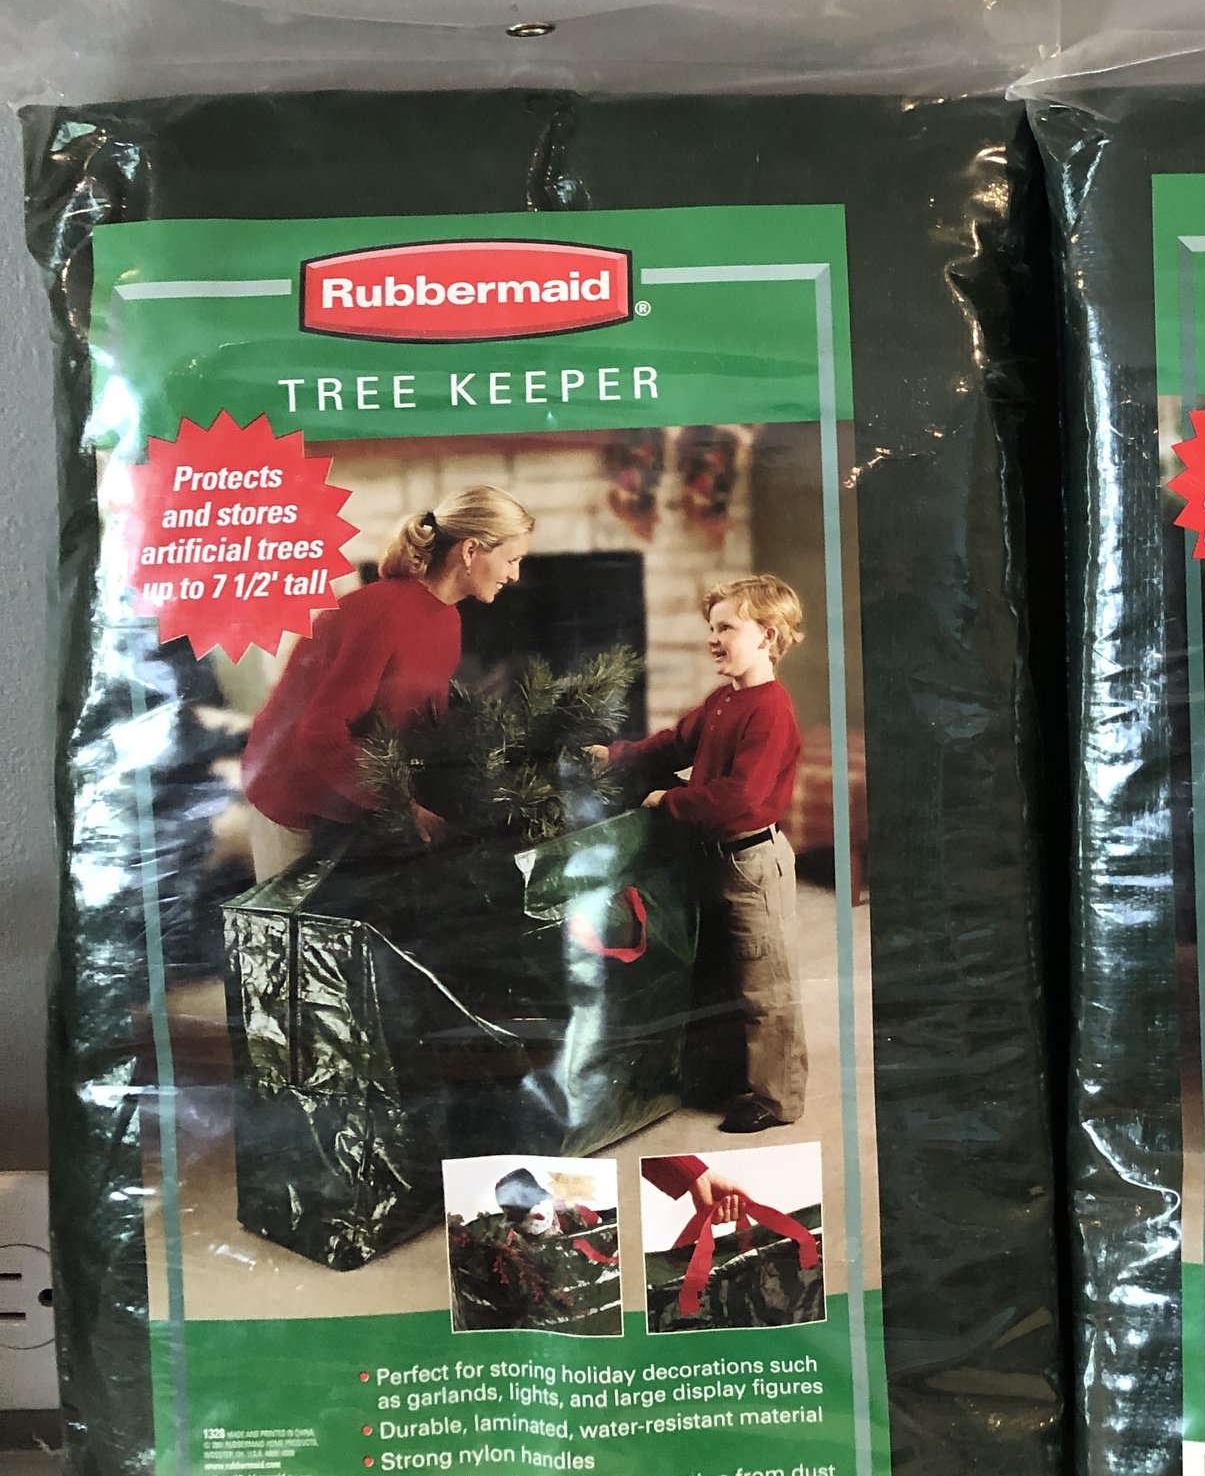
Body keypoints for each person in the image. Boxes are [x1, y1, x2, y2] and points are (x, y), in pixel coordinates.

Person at [590, 574, 808, 1134]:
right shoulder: (724, 700)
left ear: (767, 635)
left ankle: (778, 1098)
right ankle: (726, 1077)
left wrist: (669, 800)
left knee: (764, 982)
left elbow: (743, 797)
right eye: (711, 628)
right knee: (717, 975)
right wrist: (617, 756)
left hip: (751, 863)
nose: (714, 638)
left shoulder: (770, 709)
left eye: (726, 628)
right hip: (712, 857)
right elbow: (674, 742)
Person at [240, 485, 534, 879]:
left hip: (351, 795)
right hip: (295, 798)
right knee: (295, 917)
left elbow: (420, 724)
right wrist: (403, 807)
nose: (514, 576)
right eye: (511, 560)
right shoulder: (384, 615)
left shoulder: (447, 619)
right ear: (469, 551)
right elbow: (320, 732)